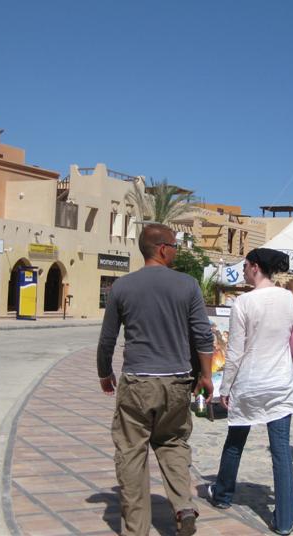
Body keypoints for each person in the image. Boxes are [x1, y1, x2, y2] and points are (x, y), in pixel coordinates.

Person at [97, 223, 214, 536]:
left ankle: (137, 529)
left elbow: (107, 338)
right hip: (177, 383)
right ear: (163, 249)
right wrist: (206, 375)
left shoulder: (122, 286)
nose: (176, 251)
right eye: (175, 245)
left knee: (131, 452)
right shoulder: (188, 285)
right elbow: (203, 335)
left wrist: (104, 372)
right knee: (173, 442)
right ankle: (183, 507)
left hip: (137, 383)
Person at [206, 248, 293, 535]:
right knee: (281, 449)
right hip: (281, 382)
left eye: (246, 265)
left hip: (250, 382)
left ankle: (223, 494)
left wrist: (225, 387)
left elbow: (235, 352)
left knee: (235, 441)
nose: (244, 270)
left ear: (255, 267)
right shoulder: (291, 299)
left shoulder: (244, 302)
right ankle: (284, 520)